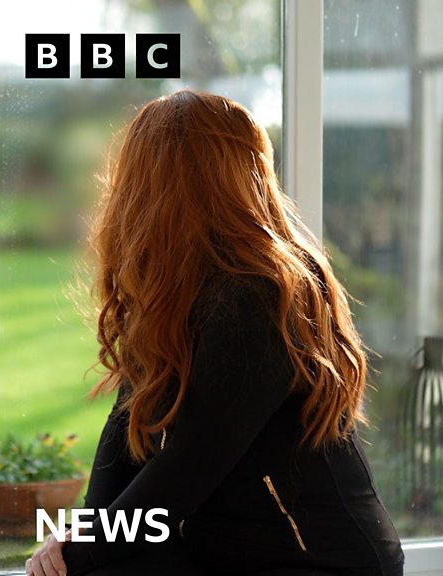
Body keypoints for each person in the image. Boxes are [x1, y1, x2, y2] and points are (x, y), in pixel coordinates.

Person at [25, 89, 405, 576]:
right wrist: (80, 535)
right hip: (229, 550)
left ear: (156, 186)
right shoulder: (175, 288)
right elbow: (127, 431)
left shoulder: (261, 295)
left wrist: (76, 557)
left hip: (320, 563)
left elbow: (187, 469)